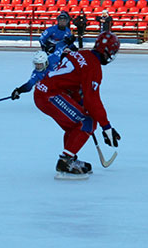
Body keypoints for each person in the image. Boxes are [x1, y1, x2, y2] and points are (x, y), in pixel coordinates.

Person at [33, 31, 121, 179]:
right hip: (50, 95)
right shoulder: (93, 67)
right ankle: (65, 161)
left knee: (74, 126)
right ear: (107, 52)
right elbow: (92, 99)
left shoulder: (83, 54)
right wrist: (106, 127)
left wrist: (81, 103)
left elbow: (72, 84)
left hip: (44, 92)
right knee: (87, 122)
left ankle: (69, 158)